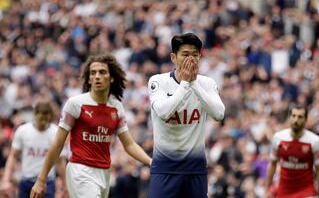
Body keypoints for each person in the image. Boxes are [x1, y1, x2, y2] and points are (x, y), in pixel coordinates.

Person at [30, 53, 152, 198]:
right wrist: (41, 179)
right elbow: (57, 144)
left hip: (104, 172)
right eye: (93, 73)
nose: (97, 76)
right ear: (89, 78)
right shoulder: (75, 104)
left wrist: (152, 162)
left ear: (111, 78)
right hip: (80, 171)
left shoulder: (116, 107)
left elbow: (129, 145)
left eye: (102, 72)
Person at [147, 32, 225, 198]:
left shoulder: (207, 83)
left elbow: (219, 114)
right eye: (185, 54)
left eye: (195, 55)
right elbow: (163, 112)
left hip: (195, 168)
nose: (190, 59)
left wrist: (193, 83)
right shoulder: (158, 81)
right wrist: (184, 84)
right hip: (165, 167)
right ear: (174, 57)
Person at [0, 101, 66, 198]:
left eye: (45, 114)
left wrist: (65, 185)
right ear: (34, 114)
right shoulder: (23, 131)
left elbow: (60, 161)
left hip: (47, 183)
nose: (42, 117)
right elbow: (13, 156)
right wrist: (6, 180)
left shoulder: (56, 133)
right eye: (39, 113)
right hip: (27, 181)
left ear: (50, 115)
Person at [265, 106, 319, 198]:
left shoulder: (314, 141)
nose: (295, 120)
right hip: (284, 191)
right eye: (293, 116)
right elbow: (272, 165)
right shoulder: (278, 138)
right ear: (289, 118)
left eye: (300, 117)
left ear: (305, 120)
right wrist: (267, 190)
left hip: (307, 191)